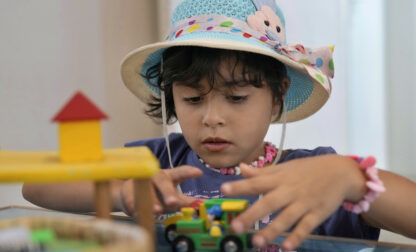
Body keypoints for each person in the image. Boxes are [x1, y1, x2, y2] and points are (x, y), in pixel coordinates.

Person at [23, 0, 416, 250]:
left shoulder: (313, 176)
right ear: (170, 97)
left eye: (237, 97)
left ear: (277, 96)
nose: (212, 117)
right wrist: (125, 190)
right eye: (193, 99)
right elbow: (37, 186)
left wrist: (351, 179)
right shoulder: (154, 162)